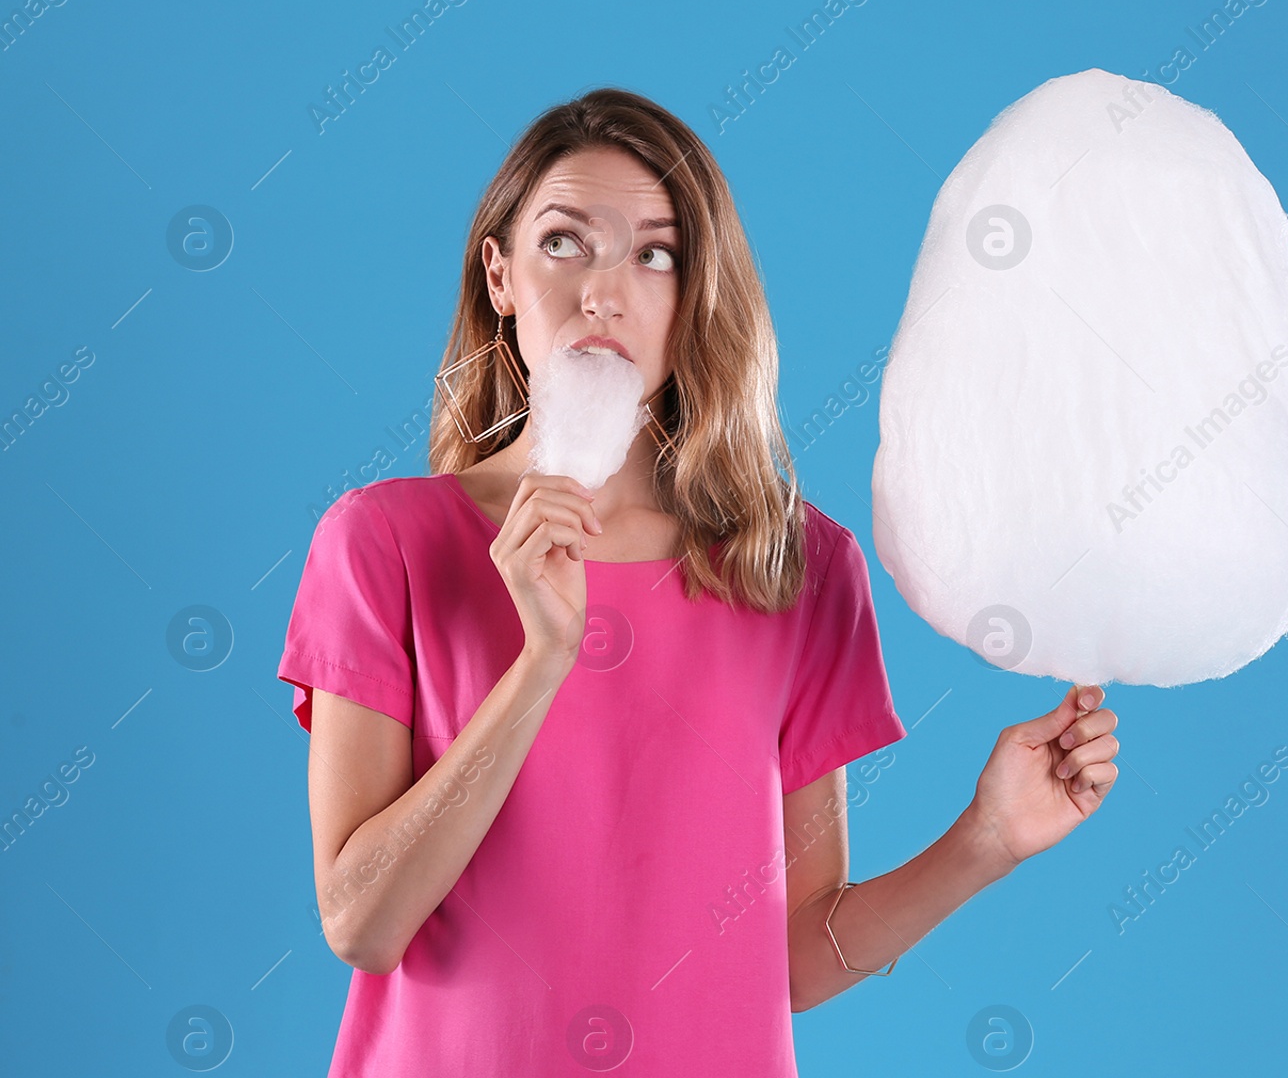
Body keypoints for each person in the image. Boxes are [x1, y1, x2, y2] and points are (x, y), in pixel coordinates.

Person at [277, 87, 1121, 1075]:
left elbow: (796, 957)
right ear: (498, 274)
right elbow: (362, 922)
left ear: (693, 298)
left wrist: (985, 838)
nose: (605, 288)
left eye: (655, 253)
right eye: (563, 242)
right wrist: (540, 663)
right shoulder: (384, 543)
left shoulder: (793, 567)